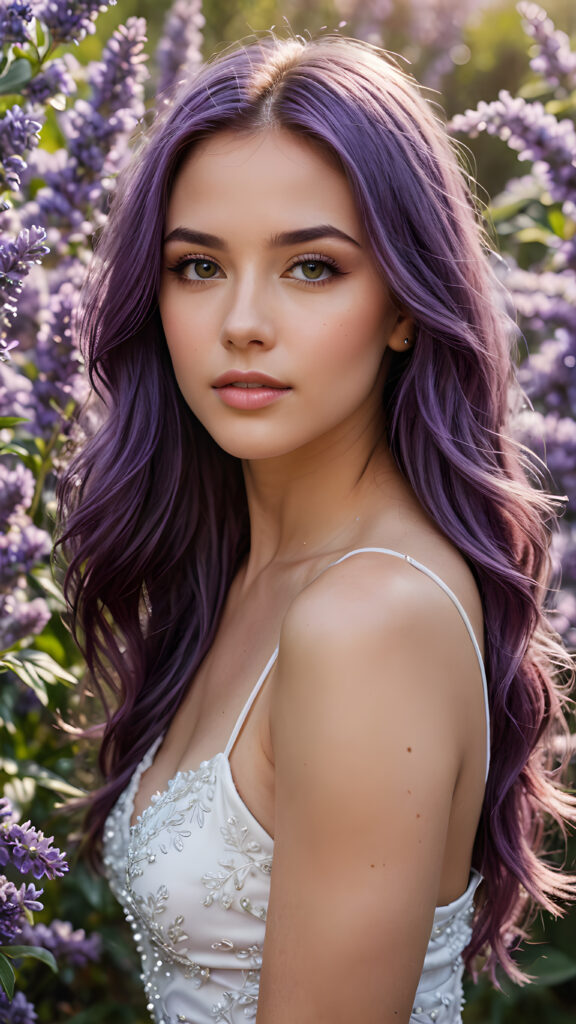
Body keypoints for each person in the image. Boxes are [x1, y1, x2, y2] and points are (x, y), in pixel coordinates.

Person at [57, 33, 575, 1024]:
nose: (243, 321)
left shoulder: (369, 617)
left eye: (311, 268)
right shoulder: (251, 569)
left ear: (404, 306)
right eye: (199, 265)